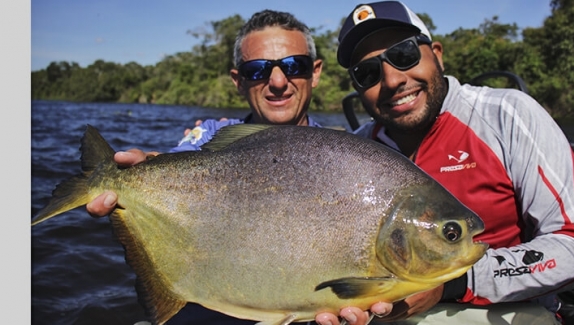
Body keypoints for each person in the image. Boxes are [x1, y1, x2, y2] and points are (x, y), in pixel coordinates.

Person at [316, 1, 574, 324]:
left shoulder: (507, 115)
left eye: (404, 55)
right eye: (367, 73)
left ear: (437, 54)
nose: (392, 80)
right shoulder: (352, 152)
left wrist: (454, 283)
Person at [85, 9, 379, 325]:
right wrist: (143, 175)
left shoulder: (348, 158)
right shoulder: (209, 135)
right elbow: (179, 161)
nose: (278, 82)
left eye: (294, 66)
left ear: (316, 72)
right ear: (238, 81)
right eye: (257, 70)